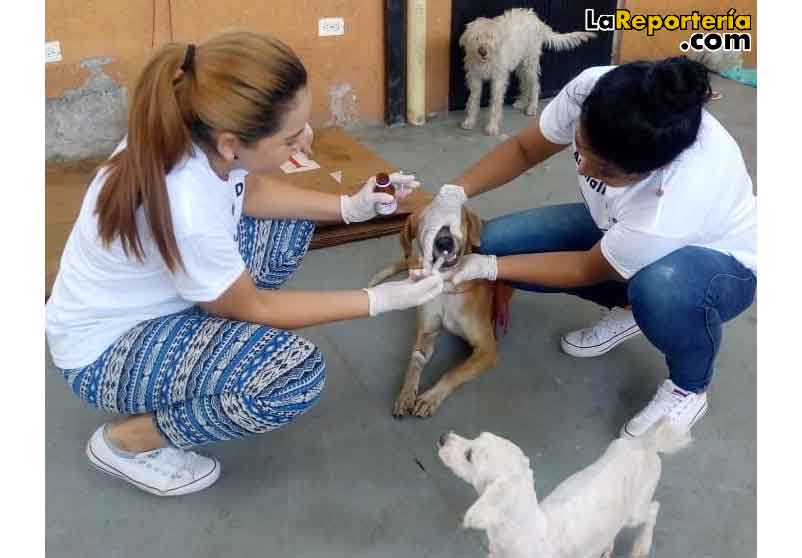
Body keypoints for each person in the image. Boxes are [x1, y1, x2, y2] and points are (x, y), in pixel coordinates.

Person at [45, 31, 445, 496]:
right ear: (232, 142)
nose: (306, 143)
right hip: (102, 352)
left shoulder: (187, 128)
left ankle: (204, 348)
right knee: (294, 378)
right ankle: (125, 442)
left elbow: (246, 188)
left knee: (291, 224)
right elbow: (254, 308)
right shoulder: (188, 204)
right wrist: (380, 298)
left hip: (149, 304)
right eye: (292, 137)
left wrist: (347, 207)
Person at [419, 57, 756, 438]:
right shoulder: (595, 88)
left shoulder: (676, 197)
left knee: (661, 288)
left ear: (651, 171)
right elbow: (525, 149)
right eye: (582, 149)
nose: (582, 170)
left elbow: (586, 269)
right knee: (500, 242)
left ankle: (689, 386)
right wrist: (453, 194)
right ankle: (632, 310)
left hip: (719, 268)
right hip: (619, 231)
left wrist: (489, 268)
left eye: (605, 172)